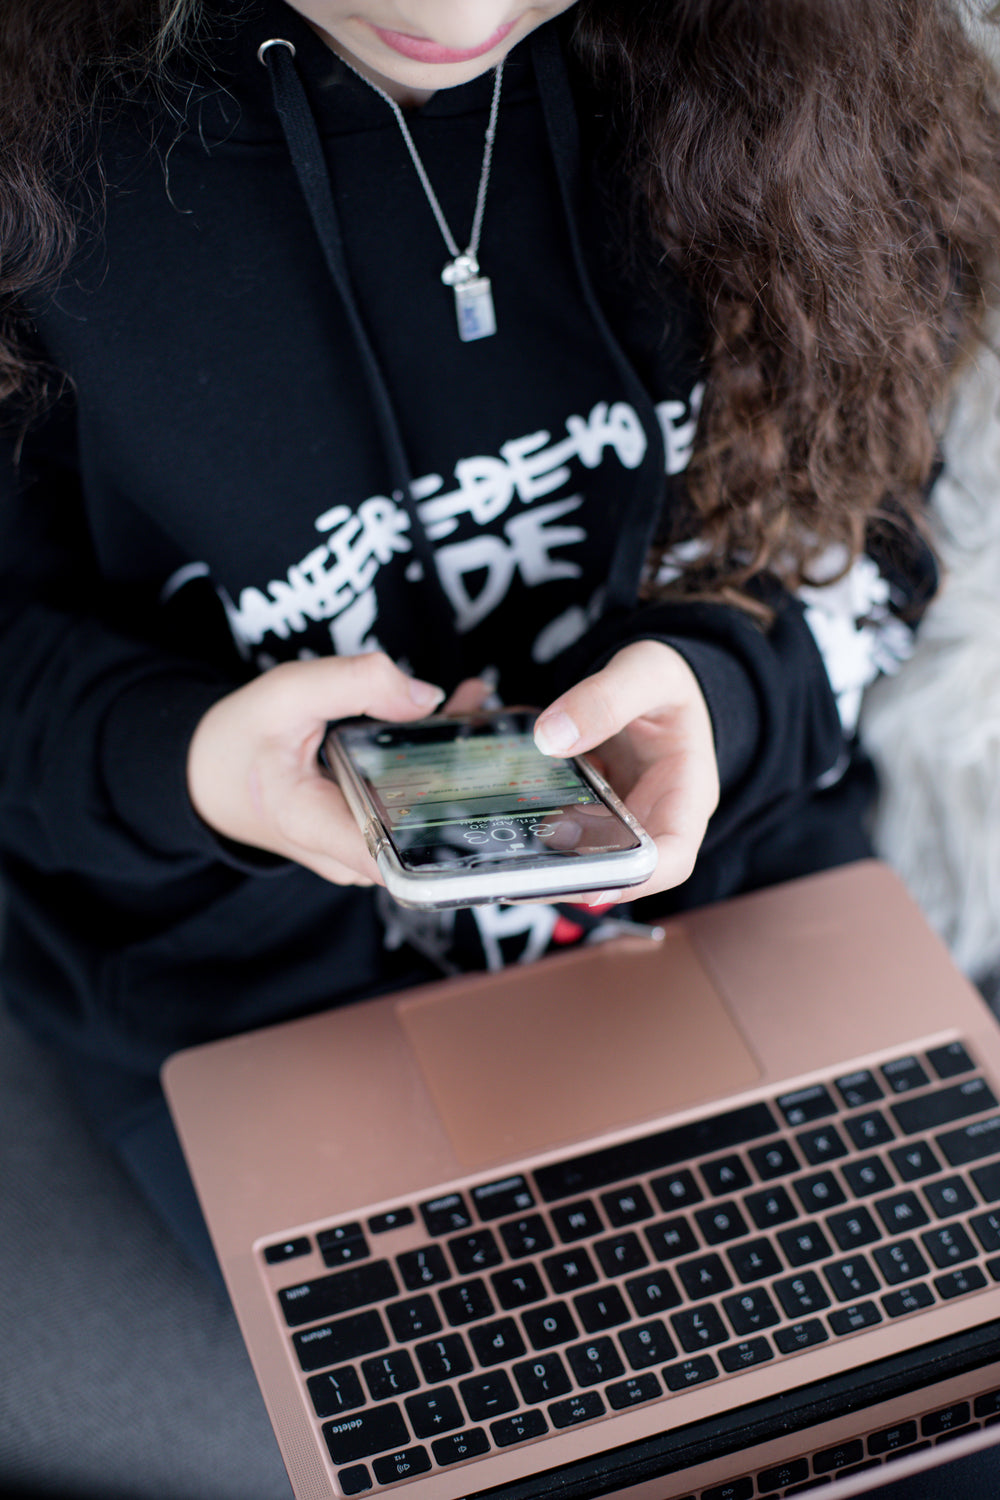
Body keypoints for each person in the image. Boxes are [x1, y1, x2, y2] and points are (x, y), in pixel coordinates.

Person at [2, 0, 1000, 1353]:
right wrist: (180, 764)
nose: (456, 15)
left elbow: (869, 509)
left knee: (928, 1379)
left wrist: (733, 695)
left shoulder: (804, 72)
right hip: (241, 982)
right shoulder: (38, 160)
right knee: (524, 1410)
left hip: (738, 898)